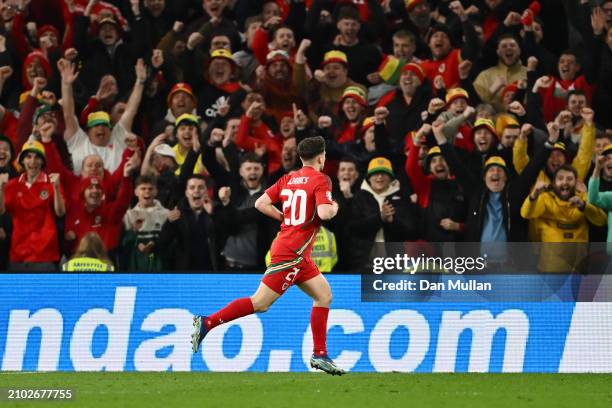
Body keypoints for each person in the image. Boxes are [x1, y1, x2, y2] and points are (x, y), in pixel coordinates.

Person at [191, 136, 345, 375]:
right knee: (260, 303)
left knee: (324, 295)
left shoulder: (288, 178)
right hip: (291, 253)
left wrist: (286, 218)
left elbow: (261, 203)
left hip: (296, 252)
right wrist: (335, 206)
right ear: (321, 157)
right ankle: (207, 323)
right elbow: (325, 213)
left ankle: (320, 354)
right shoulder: (321, 179)